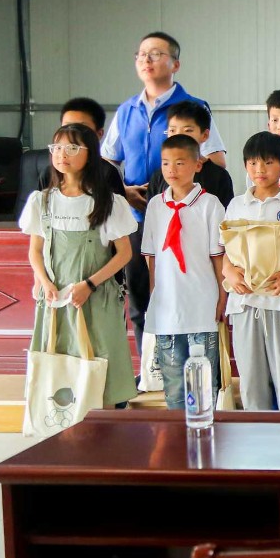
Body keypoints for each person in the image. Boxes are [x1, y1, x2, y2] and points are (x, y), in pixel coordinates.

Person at [103, 32, 225, 339]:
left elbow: (216, 160)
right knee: (140, 298)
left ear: (175, 64)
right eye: (141, 54)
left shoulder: (193, 107)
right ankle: (150, 361)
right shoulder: (127, 110)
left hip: (186, 221)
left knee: (185, 296)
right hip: (135, 219)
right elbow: (107, 162)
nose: (146, 60)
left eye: (156, 54)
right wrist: (122, 192)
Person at [20, 123, 138, 408]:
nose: (62, 154)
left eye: (72, 148)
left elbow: (124, 253)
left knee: (100, 366)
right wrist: (45, 282)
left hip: (95, 298)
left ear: (90, 154)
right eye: (57, 147)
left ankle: (103, 427)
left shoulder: (107, 202)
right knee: (59, 367)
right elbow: (35, 250)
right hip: (55, 299)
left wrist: (89, 284)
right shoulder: (41, 201)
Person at [221, 132, 280, 412]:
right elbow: (224, 250)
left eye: (268, 162)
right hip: (245, 302)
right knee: (251, 379)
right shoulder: (236, 205)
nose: (259, 170)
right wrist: (229, 272)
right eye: (252, 163)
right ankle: (255, 431)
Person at [141, 134, 224, 412]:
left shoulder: (210, 205)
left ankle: (205, 430)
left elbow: (218, 257)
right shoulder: (156, 205)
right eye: (166, 163)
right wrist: (154, 298)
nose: (171, 170)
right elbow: (152, 258)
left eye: (179, 163)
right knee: (174, 383)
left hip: (202, 306)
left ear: (197, 165)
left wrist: (222, 296)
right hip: (167, 309)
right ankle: (177, 434)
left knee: (204, 383)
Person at [150, 101, 234, 209]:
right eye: (172, 130)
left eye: (188, 130)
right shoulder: (159, 176)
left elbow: (225, 217)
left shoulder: (219, 176)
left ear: (205, 135)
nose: (178, 135)